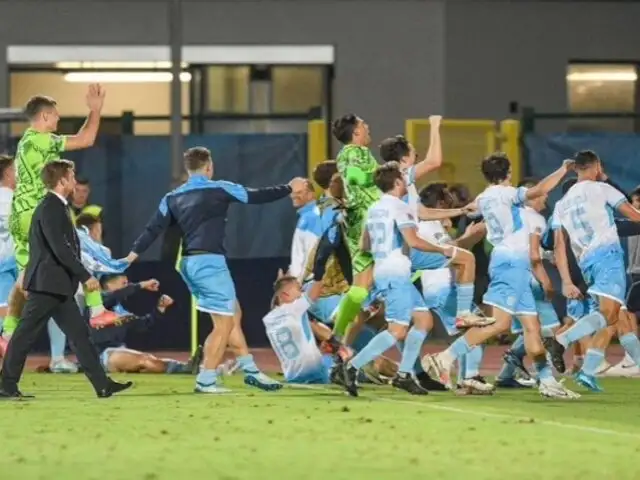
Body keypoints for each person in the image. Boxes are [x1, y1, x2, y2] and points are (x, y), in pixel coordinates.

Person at [122, 146, 306, 394]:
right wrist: (288, 188)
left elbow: (152, 229)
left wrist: (132, 255)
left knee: (233, 313)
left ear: (189, 170)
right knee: (223, 324)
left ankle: (249, 370)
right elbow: (256, 196)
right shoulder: (219, 188)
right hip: (209, 263)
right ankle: (206, 379)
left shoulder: (172, 197)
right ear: (209, 167)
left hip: (188, 264)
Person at [422, 153, 579, 399]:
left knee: (531, 327)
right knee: (500, 324)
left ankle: (547, 381)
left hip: (511, 262)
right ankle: (444, 358)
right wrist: (563, 170)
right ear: (509, 171)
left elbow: (472, 209)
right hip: (511, 262)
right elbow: (538, 189)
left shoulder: (484, 197)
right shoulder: (506, 193)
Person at [0, 160, 131, 399]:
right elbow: (59, 247)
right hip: (47, 285)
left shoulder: (56, 206)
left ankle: (102, 385)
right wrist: (84, 275)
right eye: (71, 177)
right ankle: (6, 386)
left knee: (80, 336)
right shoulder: (51, 207)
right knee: (24, 335)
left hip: (56, 286)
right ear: (61, 181)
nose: (74, 182)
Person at [4, 86, 122, 343]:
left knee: (26, 276)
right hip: (39, 213)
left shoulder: (28, 141)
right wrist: (95, 110)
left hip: (20, 213)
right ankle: (97, 310)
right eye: (55, 115)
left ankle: (8, 331)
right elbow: (86, 139)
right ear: (44, 117)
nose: (58, 120)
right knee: (74, 250)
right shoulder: (42, 140)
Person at [341, 162, 455, 397]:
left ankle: (404, 375)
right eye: (403, 179)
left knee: (424, 321)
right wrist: (442, 250)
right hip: (396, 271)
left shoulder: (374, 208)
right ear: (396, 183)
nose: (406, 182)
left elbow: (364, 244)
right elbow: (414, 241)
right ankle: (350, 366)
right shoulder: (399, 208)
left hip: (386, 270)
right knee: (397, 331)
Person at [549, 150, 640, 392]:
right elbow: (634, 216)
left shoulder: (560, 204)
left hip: (585, 263)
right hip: (607, 257)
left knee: (614, 319)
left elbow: (559, 245)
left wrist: (566, 280)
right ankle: (561, 340)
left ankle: (587, 371)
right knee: (610, 316)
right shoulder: (601, 189)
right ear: (597, 166)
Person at [413, 183, 493, 394]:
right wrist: (471, 235)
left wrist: (466, 236)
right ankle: (460, 371)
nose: (450, 208)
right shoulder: (429, 227)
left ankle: (466, 378)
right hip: (442, 288)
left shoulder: (430, 227)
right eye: (447, 203)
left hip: (440, 287)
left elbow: (452, 251)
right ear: (439, 204)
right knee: (479, 327)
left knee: (469, 331)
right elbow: (454, 253)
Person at [0, 155, 77, 373]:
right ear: (7, 173)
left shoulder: (15, 198)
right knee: (13, 313)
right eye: (16, 170)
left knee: (41, 307)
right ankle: (55, 357)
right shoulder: (7, 200)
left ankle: (56, 357)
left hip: (18, 265)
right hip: (10, 265)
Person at [495, 178, 561, 387]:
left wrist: (546, 254)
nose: (545, 197)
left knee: (530, 328)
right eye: (541, 194)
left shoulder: (512, 217)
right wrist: (546, 281)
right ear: (529, 196)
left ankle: (506, 375)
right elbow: (532, 256)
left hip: (507, 276)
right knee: (551, 330)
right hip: (529, 278)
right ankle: (547, 379)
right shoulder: (535, 219)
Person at [91, 273, 202, 374]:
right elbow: (116, 295)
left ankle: (184, 367)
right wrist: (142, 285)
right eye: (124, 283)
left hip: (117, 351)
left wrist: (160, 308)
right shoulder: (97, 303)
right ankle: (184, 369)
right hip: (101, 356)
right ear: (110, 285)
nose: (127, 286)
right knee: (144, 359)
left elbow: (143, 324)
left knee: (150, 361)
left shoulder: (120, 310)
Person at [289, 179, 321, 280]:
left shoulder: (311, 217)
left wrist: (299, 282)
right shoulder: (307, 216)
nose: (293, 196)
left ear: (310, 194)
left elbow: (311, 253)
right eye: (292, 193)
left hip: (308, 283)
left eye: (299, 192)